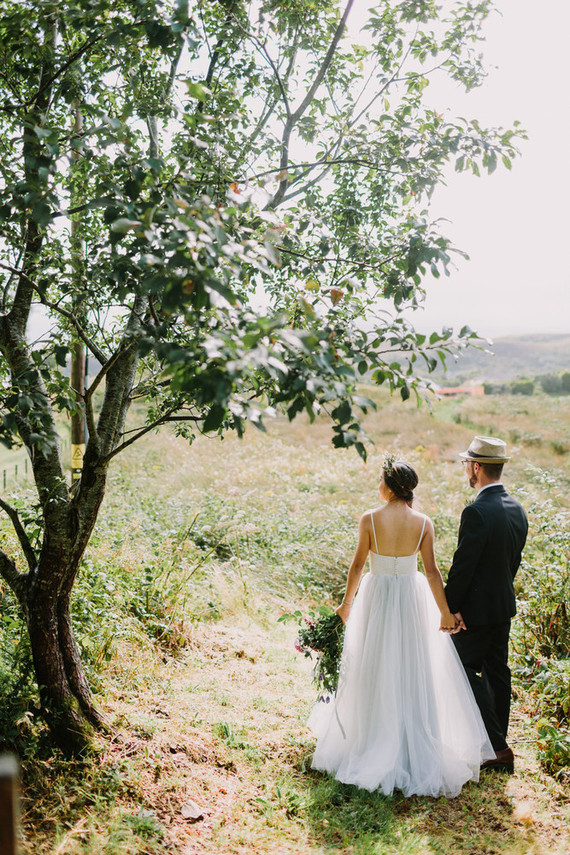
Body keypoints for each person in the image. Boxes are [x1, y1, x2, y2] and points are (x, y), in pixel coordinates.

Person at [308, 458, 494, 797]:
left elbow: (357, 566)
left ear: (390, 487)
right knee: (411, 665)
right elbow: (432, 572)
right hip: (411, 597)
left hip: (376, 595)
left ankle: (371, 735)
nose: (377, 486)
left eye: (380, 481)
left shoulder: (369, 519)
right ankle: (410, 739)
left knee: (373, 661)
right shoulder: (423, 523)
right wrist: (444, 612)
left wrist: (346, 605)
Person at [445, 436, 528, 773]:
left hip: (475, 612)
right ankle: (496, 745)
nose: (466, 468)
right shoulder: (516, 508)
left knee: (459, 667)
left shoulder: (476, 511)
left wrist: (450, 608)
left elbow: (463, 566)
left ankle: (496, 746)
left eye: (467, 463)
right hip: (502, 607)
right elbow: (512, 562)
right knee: (497, 673)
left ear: (476, 467)